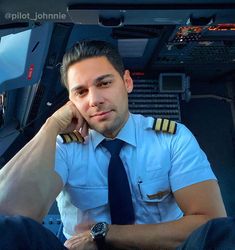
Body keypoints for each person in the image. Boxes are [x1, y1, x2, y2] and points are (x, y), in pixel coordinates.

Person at [0, 40, 227, 250]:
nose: (94, 99)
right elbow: (9, 216)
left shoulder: (171, 138)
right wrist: (50, 127)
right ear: (71, 101)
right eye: (81, 92)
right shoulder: (63, 147)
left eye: (104, 83)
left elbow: (210, 223)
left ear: (127, 82)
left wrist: (104, 234)